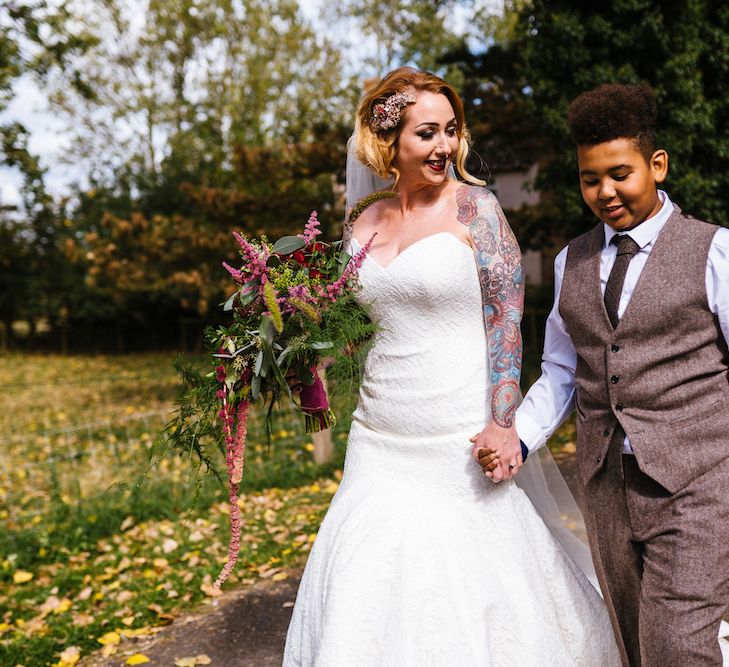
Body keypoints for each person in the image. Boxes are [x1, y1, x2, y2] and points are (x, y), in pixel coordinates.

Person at [282, 67, 620, 666]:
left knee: (471, 584)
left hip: (457, 435)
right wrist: (291, 348)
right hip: (379, 437)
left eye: (450, 131)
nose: (444, 147)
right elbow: (353, 328)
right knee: (367, 580)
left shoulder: (477, 211)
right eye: (426, 134)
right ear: (389, 144)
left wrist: (503, 421)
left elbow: (508, 322)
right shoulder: (360, 221)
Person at [502, 83, 729, 666]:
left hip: (699, 483)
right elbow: (559, 369)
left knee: (678, 646)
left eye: (620, 174)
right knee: (632, 645)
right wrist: (519, 439)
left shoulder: (714, 251)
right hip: (606, 486)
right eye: (588, 178)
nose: (604, 192)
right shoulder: (570, 260)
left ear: (657, 165)